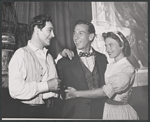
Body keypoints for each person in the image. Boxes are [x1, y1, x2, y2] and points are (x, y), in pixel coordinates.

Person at [8, 14, 74, 118]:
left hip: (53, 111)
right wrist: (46, 86)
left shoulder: (48, 56)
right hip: (32, 113)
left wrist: (61, 56)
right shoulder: (21, 54)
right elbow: (15, 90)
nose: (53, 35)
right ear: (37, 30)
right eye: (49, 30)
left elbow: (45, 72)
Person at [65, 31, 139, 120]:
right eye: (106, 45)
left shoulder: (127, 69)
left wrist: (76, 94)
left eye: (111, 45)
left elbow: (104, 92)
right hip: (107, 110)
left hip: (120, 113)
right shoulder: (110, 65)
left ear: (121, 46)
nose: (108, 49)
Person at [56, 20, 108, 119]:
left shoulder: (102, 58)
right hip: (75, 115)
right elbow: (56, 86)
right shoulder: (64, 61)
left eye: (81, 33)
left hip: (100, 113)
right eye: (74, 33)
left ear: (91, 37)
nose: (76, 37)